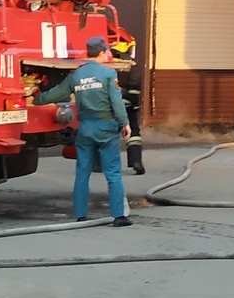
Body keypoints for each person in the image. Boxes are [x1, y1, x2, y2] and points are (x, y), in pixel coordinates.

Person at [28, 36, 133, 226]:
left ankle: (80, 216)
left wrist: (36, 98)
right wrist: (125, 123)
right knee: (113, 173)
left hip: (85, 128)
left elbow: (56, 93)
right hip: (106, 128)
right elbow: (116, 103)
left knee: (82, 173)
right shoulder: (108, 75)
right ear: (101, 53)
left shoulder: (76, 75)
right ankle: (118, 216)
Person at [109, 34, 146, 175]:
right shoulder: (132, 66)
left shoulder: (107, 64)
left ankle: (100, 164)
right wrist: (132, 105)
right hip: (129, 106)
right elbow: (135, 89)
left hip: (111, 107)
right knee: (134, 134)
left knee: (108, 135)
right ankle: (136, 162)